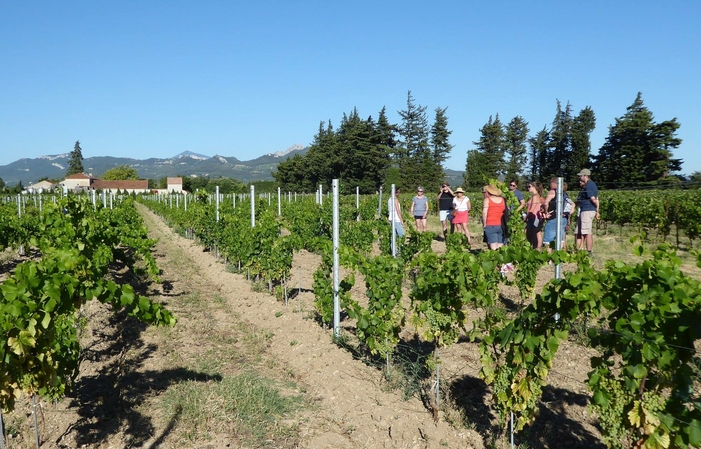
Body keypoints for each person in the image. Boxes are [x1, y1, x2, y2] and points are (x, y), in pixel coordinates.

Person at [574, 168, 599, 256]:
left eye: (581, 176)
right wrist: (597, 210)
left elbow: (593, 198)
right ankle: (581, 249)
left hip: (587, 210)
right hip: (587, 210)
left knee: (586, 231)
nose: (580, 178)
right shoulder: (592, 185)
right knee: (583, 230)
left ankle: (589, 251)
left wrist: (596, 208)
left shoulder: (588, 185)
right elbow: (596, 198)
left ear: (585, 176)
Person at [542, 178, 568, 251]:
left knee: (548, 240)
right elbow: (572, 205)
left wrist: (546, 212)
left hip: (553, 218)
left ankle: (549, 258)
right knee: (560, 239)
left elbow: (546, 203)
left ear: (554, 183)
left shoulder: (552, 192)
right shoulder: (564, 193)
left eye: (550, 183)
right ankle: (560, 257)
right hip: (563, 219)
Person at [482, 185, 506, 250]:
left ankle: (495, 258)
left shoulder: (487, 200)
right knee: (500, 244)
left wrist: (484, 224)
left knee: (493, 246)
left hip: (490, 224)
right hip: (501, 225)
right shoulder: (503, 200)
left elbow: (484, 212)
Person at [525, 181, 544, 249]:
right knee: (536, 233)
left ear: (534, 187)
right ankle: (537, 247)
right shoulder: (536, 196)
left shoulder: (535, 196)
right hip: (534, 217)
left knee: (533, 233)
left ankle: (536, 247)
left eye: (529, 186)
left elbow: (532, 209)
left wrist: (527, 217)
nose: (528, 188)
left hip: (533, 217)